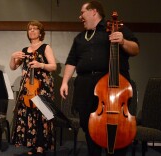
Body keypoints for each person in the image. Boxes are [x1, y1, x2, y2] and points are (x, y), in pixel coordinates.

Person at [59, 1, 140, 156]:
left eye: (82, 12)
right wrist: (64, 82)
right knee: (88, 125)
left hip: (112, 87)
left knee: (117, 125)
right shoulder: (80, 38)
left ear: (93, 11)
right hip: (84, 86)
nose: (80, 16)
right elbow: (72, 61)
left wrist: (123, 41)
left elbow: (135, 49)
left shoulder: (117, 28)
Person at [10, 20, 57, 156]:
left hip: (42, 87)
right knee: (29, 115)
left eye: (35, 29)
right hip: (28, 88)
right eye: (30, 29)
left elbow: (53, 66)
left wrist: (40, 65)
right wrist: (13, 57)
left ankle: (41, 146)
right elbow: (13, 67)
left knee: (41, 115)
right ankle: (33, 144)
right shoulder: (25, 50)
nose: (32, 31)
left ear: (40, 32)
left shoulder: (45, 47)